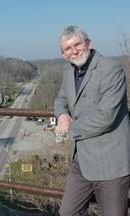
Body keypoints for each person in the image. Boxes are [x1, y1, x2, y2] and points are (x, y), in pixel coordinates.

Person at [54, 25, 130, 216]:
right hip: (81, 160)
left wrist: (69, 129)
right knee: (68, 213)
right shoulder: (68, 71)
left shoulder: (111, 70)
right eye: (68, 49)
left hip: (110, 163)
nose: (74, 51)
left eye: (77, 44)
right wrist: (62, 114)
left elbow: (107, 117)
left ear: (88, 43)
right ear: (63, 54)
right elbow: (61, 98)